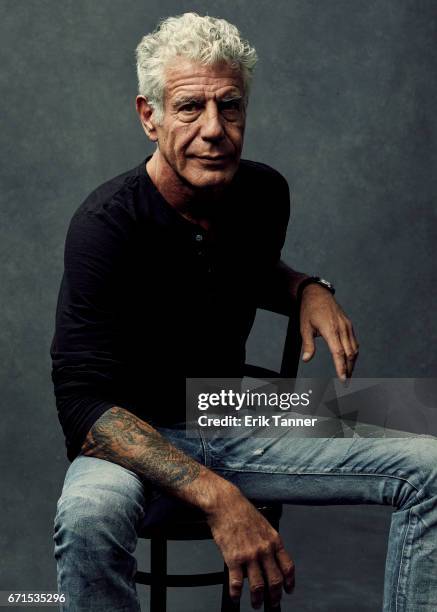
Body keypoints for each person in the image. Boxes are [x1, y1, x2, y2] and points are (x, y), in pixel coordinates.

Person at [51, 12, 437, 611]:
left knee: (431, 435)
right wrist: (219, 497)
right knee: (87, 516)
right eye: (188, 108)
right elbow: (81, 405)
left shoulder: (263, 193)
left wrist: (307, 286)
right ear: (147, 116)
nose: (214, 130)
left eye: (229, 106)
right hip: (131, 433)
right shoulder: (104, 226)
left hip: (233, 405)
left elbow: (230, 265)